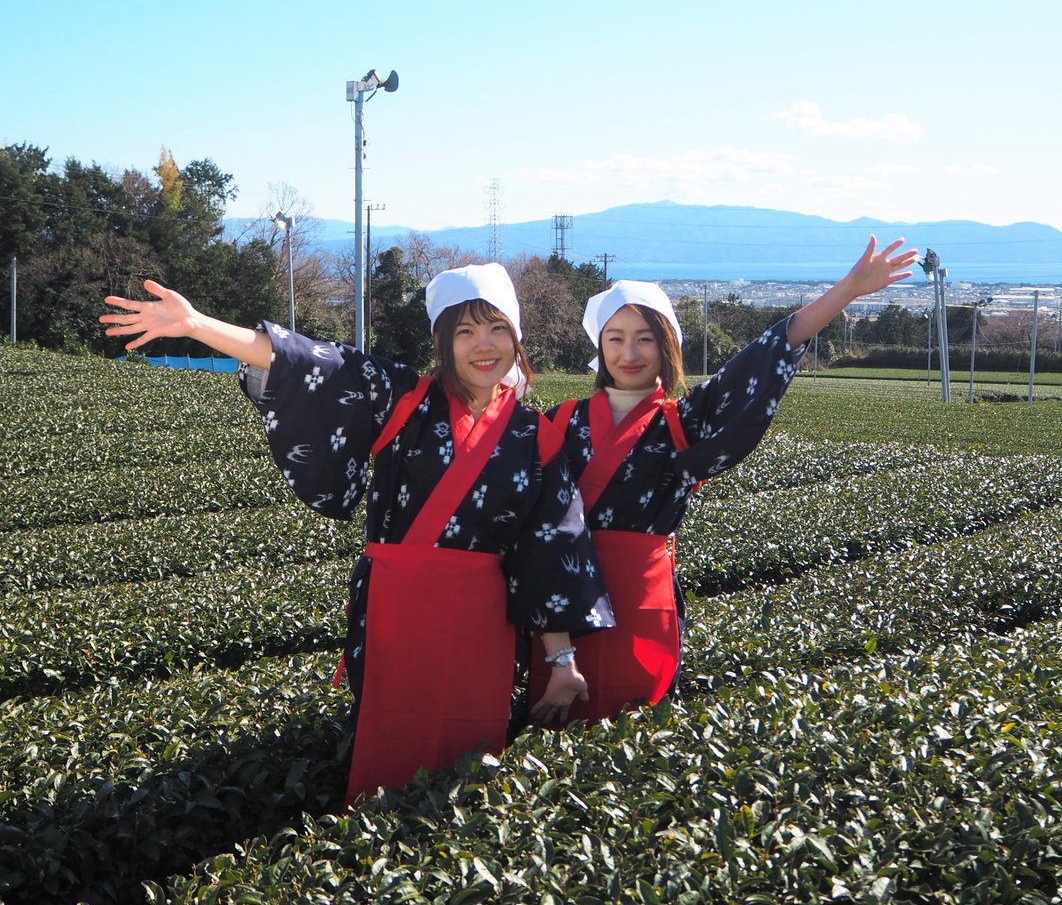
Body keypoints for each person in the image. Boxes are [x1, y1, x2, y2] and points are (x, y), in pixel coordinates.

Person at [100, 263, 613, 804]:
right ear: (442, 341)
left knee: (469, 766)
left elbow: (549, 552)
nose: (483, 346)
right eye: (465, 331)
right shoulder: (401, 397)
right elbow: (306, 360)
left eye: (497, 329)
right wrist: (198, 324)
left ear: (516, 335)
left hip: (481, 624)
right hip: (397, 612)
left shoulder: (538, 436)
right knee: (388, 756)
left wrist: (562, 662)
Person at [529, 236, 920, 724]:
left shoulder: (686, 420)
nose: (629, 351)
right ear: (599, 345)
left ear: (667, 345)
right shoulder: (557, 422)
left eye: (645, 337)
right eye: (616, 337)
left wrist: (847, 290)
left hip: (642, 598)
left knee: (634, 734)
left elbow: (770, 349)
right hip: (565, 606)